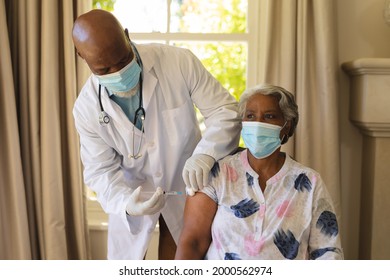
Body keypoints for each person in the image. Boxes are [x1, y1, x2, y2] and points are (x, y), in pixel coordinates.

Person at [71, 9, 241, 260]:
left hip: (188, 190)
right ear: (82, 57)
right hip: (132, 195)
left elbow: (225, 111)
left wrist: (205, 155)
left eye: (122, 60)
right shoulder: (86, 109)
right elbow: (100, 171)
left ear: (127, 36)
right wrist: (126, 203)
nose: (118, 72)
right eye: (104, 69)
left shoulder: (178, 62)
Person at [175, 84, 344, 260]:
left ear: (287, 125)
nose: (258, 123)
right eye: (250, 116)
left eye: (269, 116)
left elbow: (328, 253)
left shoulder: (310, 183)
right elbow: (192, 243)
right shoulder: (217, 174)